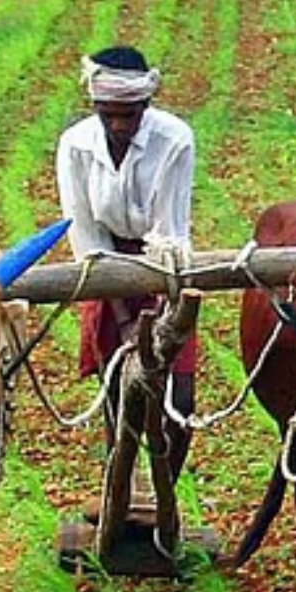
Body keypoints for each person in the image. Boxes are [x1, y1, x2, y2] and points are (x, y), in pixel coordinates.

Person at [55, 44, 197, 483]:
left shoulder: (174, 139)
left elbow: (168, 233)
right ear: (95, 107)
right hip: (105, 269)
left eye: (129, 115)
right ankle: (120, 486)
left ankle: (164, 490)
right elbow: (86, 234)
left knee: (180, 399)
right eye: (108, 115)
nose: (118, 125)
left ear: (146, 105)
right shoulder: (76, 145)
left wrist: (158, 321)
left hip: (163, 269)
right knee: (118, 388)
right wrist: (122, 319)